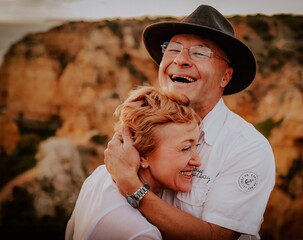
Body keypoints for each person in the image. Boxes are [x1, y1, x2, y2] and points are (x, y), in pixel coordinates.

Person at [104, 4, 276, 240]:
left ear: (225, 76)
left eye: (200, 52)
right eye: (173, 49)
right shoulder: (140, 124)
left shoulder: (248, 148)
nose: (181, 60)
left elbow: (217, 237)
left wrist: (133, 187)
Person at [65, 86, 202, 239]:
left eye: (196, 146)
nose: (198, 161)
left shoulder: (99, 176)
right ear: (143, 155)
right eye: (185, 148)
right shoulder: (140, 234)